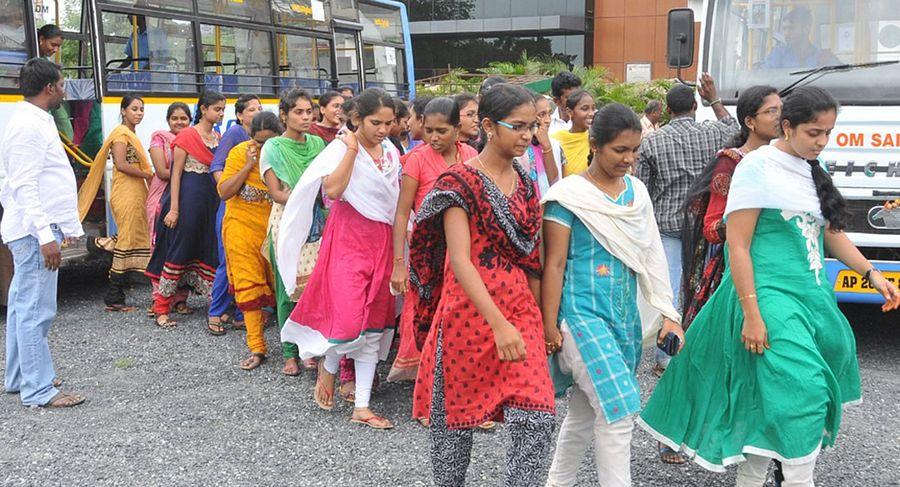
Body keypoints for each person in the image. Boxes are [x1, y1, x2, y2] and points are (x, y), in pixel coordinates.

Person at [638, 86, 900, 486]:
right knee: (805, 395)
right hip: (768, 299)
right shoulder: (756, 167)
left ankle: (756, 478)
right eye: (814, 132)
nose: (822, 141)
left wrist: (872, 273)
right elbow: (737, 246)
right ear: (788, 126)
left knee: (767, 404)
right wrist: (751, 314)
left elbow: (831, 234)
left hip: (811, 299)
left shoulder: (815, 170)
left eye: (828, 132)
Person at [409, 83, 555, 486]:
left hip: (519, 306)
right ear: (489, 126)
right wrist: (497, 323)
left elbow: (530, 257)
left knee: (538, 417)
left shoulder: (525, 183)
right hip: (468, 312)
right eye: (519, 126)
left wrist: (542, 321)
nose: (528, 136)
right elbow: (460, 260)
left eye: (534, 126)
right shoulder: (459, 182)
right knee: (455, 423)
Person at [542, 103, 684, 487]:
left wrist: (668, 312)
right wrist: (549, 326)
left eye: (635, 150)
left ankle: (557, 483)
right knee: (619, 410)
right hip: (579, 317)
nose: (629, 159)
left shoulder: (636, 193)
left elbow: (652, 251)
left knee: (585, 412)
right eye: (620, 150)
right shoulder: (567, 197)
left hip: (623, 319)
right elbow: (553, 265)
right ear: (594, 144)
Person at [277, 88, 399, 429]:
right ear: (357, 118)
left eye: (389, 123)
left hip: (382, 241)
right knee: (347, 322)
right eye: (376, 122)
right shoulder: (340, 147)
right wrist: (350, 150)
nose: (384, 130)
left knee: (373, 325)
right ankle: (329, 367)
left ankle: (362, 406)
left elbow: (395, 200)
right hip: (347, 241)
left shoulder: (390, 151)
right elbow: (332, 190)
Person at [635, 73, 737, 377]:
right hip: (705, 226)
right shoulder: (714, 134)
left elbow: (642, 187)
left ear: (667, 110)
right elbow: (736, 128)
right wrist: (716, 100)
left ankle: (666, 358)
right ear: (695, 105)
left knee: (667, 292)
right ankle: (702, 350)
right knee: (701, 288)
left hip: (666, 225)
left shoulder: (652, 141)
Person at [1, 58, 85, 408]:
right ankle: (38, 390)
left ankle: (21, 377)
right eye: (63, 84)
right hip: (36, 232)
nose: (65, 90)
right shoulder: (27, 125)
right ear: (49, 87)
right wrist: (45, 235)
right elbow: (23, 185)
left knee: (23, 307)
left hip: (35, 229)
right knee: (37, 310)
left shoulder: (33, 120)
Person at [388, 96, 477, 385]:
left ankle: (461, 390)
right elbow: (402, 214)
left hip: (465, 253)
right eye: (428, 131)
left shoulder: (472, 156)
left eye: (442, 131)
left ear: (457, 127)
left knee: (462, 319)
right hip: (427, 256)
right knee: (427, 320)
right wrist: (399, 264)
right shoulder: (416, 160)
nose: (434, 138)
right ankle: (426, 396)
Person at [681, 86, 781, 331]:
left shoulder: (787, 161)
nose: (780, 116)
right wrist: (753, 222)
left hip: (777, 264)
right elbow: (711, 227)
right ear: (750, 121)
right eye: (771, 111)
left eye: (782, 110)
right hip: (738, 266)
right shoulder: (731, 162)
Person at [145, 91, 226, 329]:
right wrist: (175, 210)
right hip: (187, 201)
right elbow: (176, 175)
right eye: (217, 109)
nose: (221, 114)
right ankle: (161, 309)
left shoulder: (217, 137)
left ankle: (213, 306)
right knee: (178, 250)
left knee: (207, 249)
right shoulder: (187, 136)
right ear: (203, 109)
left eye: (223, 109)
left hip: (209, 202)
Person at [261, 88, 327, 376]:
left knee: (314, 288)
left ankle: (308, 348)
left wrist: (310, 194)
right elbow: (277, 193)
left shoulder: (317, 144)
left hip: (317, 220)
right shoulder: (273, 148)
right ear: (284, 115)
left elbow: (328, 184)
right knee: (288, 288)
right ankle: (289, 353)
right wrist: (307, 193)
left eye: (308, 111)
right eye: (298, 112)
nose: (305, 117)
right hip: (287, 223)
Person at [218, 111, 282, 370]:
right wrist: (247, 165)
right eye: (258, 142)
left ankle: (295, 348)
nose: (264, 147)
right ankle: (256, 347)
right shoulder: (239, 153)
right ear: (250, 137)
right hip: (240, 228)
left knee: (285, 288)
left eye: (270, 142)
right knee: (248, 286)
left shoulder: (285, 153)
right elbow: (224, 192)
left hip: (276, 229)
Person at [77, 95, 153, 312]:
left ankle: (101, 243)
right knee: (128, 239)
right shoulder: (121, 134)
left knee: (134, 234)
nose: (139, 113)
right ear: (123, 111)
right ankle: (114, 296)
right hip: (126, 192)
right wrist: (147, 174)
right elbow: (120, 164)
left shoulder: (130, 133)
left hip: (135, 191)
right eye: (134, 109)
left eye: (141, 109)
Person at [207, 94, 262, 334]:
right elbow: (217, 166)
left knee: (248, 263)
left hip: (254, 212)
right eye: (251, 109)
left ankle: (242, 313)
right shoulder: (235, 135)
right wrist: (230, 190)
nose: (256, 112)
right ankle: (216, 312)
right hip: (233, 207)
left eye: (259, 108)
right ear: (239, 115)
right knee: (228, 262)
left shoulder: (262, 139)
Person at [146, 102, 192, 317]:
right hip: (161, 199)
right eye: (175, 118)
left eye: (184, 118)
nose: (179, 122)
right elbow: (163, 171)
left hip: (186, 199)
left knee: (183, 248)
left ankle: (180, 299)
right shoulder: (159, 138)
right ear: (168, 120)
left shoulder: (193, 138)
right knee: (161, 246)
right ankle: (159, 299)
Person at [763, 7, 840, 69]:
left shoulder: (822, 56)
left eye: (791, 28)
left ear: (806, 29)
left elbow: (839, 78)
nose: (786, 33)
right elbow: (764, 76)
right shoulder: (778, 54)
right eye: (784, 29)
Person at [515, 92, 559, 197]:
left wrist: (546, 146)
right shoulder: (520, 147)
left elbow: (554, 181)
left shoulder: (548, 144)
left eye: (549, 113)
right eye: (541, 115)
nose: (548, 120)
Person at [550, 89, 596, 178]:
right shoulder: (556, 140)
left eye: (593, 108)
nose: (591, 113)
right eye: (585, 109)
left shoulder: (598, 139)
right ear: (570, 112)